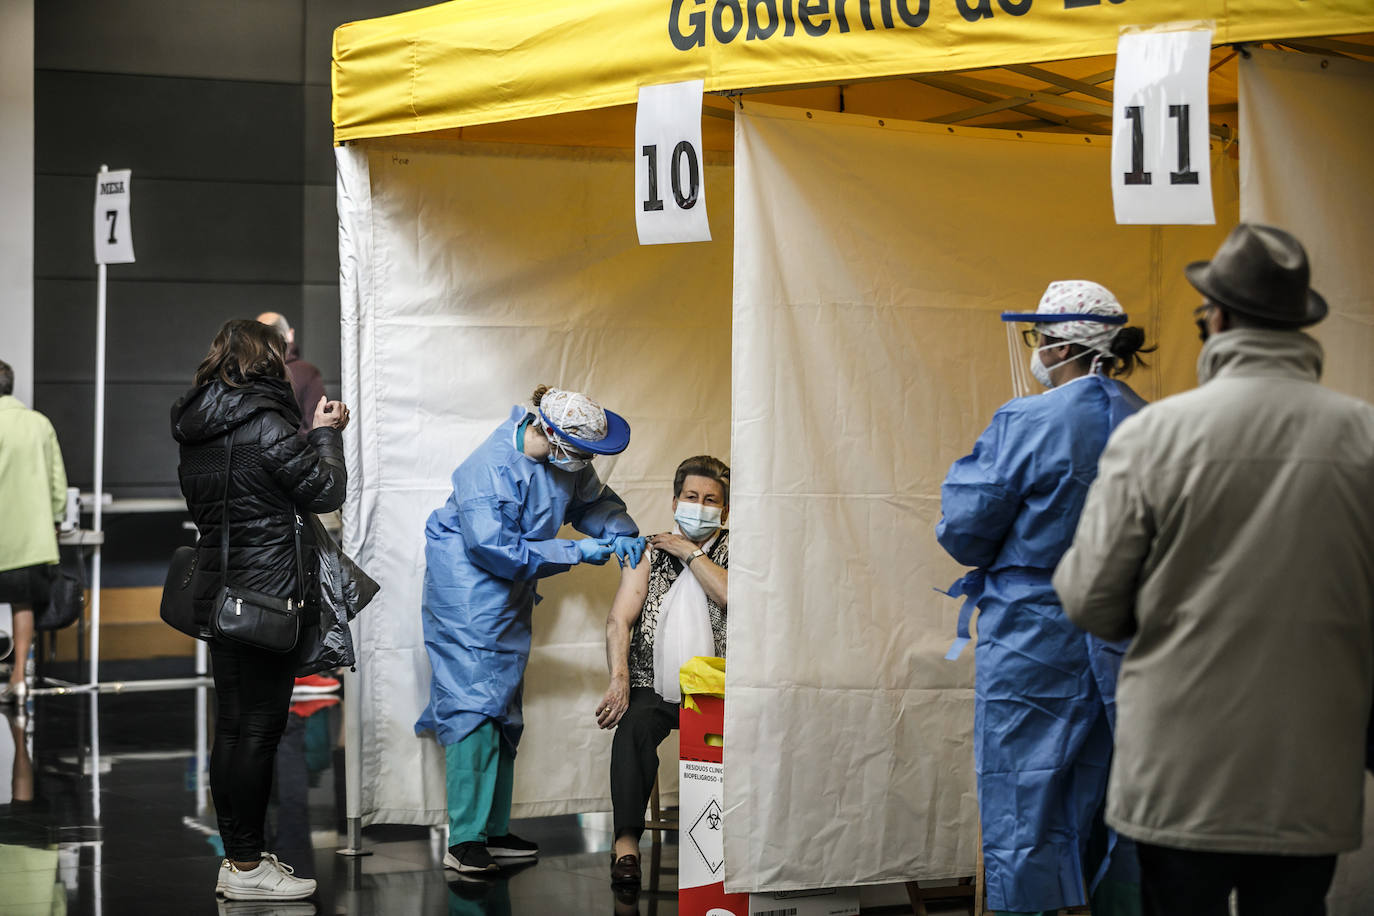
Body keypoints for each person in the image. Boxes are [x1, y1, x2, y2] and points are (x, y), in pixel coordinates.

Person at [1054, 224, 1374, 916]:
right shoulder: (1365, 437)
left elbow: (1089, 602)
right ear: (1298, 326)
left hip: (1178, 768)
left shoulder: (1152, 435)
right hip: (1310, 766)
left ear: (1218, 319)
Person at [936, 281, 1154, 916]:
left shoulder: (1027, 420)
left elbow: (965, 528)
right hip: (1130, 635)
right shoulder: (1153, 423)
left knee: (1022, 797)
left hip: (1035, 635)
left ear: (1058, 345)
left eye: (1039, 340)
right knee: (1116, 789)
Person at [418, 385, 645, 876]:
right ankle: (464, 841)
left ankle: (492, 831)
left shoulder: (567, 459)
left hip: (507, 596)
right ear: (551, 434)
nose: (585, 462)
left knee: (503, 708)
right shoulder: (488, 470)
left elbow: (590, 500)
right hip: (467, 595)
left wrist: (618, 526)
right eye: (581, 453)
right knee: (472, 709)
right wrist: (576, 552)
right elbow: (493, 550)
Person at [172, 319, 350, 902]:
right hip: (269, 597)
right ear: (263, 359)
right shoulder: (270, 426)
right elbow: (323, 492)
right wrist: (326, 434)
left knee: (230, 729)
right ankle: (248, 869)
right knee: (260, 730)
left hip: (219, 595)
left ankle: (238, 860)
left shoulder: (195, 429)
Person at [595, 455, 730, 886]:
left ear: (724, 511)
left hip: (722, 687)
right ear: (674, 501)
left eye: (711, 500)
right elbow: (620, 619)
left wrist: (690, 553)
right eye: (691, 496)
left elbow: (732, 596)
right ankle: (626, 849)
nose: (700, 504)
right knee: (632, 728)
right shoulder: (648, 551)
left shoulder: (739, 549)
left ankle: (726, 845)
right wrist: (619, 678)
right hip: (654, 685)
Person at [257, 311, 343, 696]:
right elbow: (313, 426)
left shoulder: (250, 380)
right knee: (315, 575)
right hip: (304, 480)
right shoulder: (305, 372)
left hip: (264, 495)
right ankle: (310, 666)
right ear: (289, 335)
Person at [0, 359, 69, 706]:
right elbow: (58, 482)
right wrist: (55, 520)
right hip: (29, 536)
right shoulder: (39, 423)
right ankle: (19, 678)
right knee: (22, 604)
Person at [256, 312, 326, 437]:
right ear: (290, 334)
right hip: (298, 453)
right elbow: (317, 426)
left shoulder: (249, 374)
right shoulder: (308, 372)